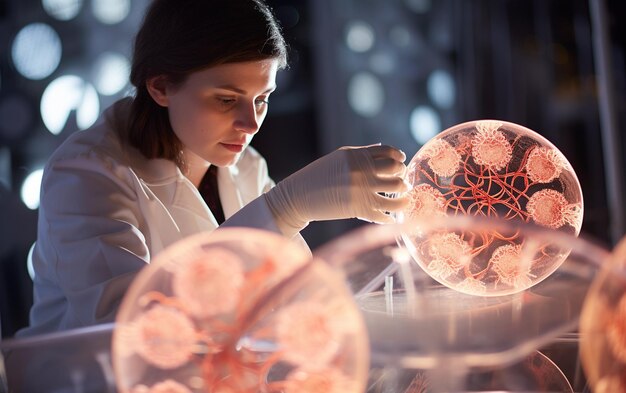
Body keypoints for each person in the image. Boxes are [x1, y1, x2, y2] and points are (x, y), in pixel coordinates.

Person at [18, 0, 408, 337]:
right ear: (161, 87)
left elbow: (288, 299)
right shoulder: (86, 175)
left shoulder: (245, 166)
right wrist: (283, 210)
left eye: (263, 98)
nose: (251, 123)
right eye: (226, 100)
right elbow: (137, 328)